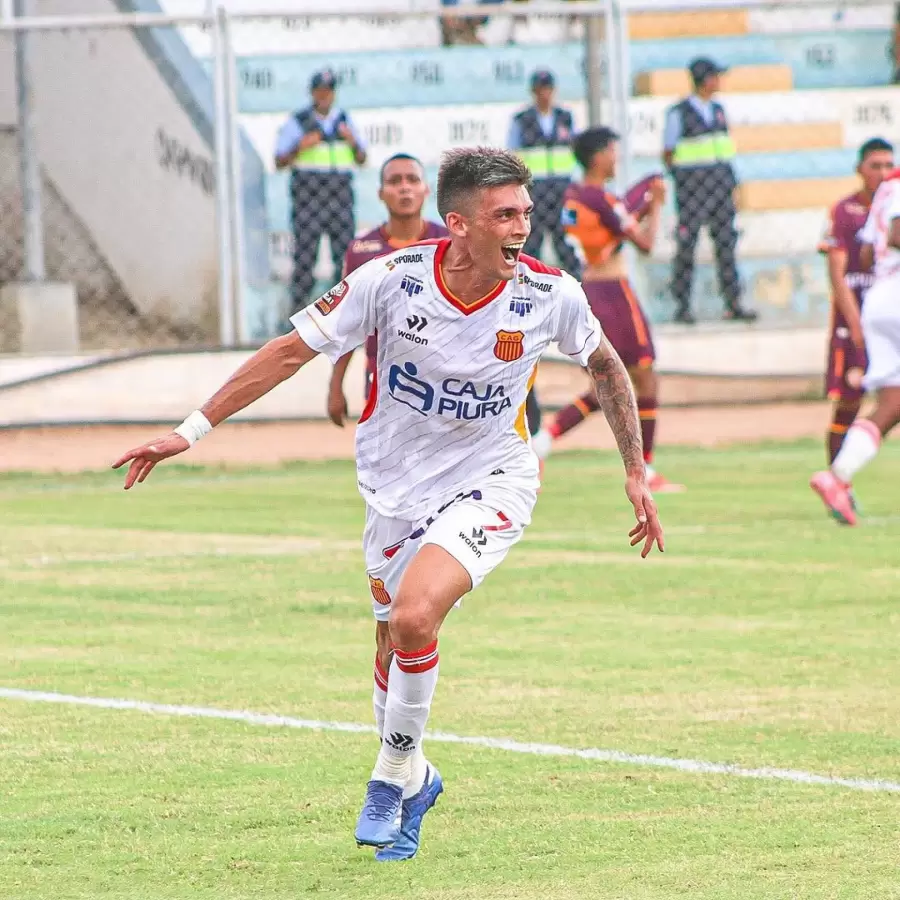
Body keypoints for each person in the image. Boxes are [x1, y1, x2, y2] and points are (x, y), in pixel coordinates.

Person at [112, 147, 665, 861]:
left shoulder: (549, 293)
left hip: (494, 478)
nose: (522, 228)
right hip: (394, 486)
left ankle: (389, 774)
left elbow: (605, 364)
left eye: (526, 213)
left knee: (414, 615)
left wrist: (635, 471)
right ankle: (420, 776)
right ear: (458, 223)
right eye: (505, 215)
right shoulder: (390, 281)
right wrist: (190, 430)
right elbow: (289, 351)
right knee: (390, 640)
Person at [532, 127, 684, 494]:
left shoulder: (576, 196)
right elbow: (644, 243)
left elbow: (611, 223)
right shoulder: (600, 198)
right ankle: (645, 468)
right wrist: (657, 203)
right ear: (599, 156)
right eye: (613, 151)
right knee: (643, 377)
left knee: (611, 380)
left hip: (592, 288)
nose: (617, 158)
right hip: (615, 291)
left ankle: (543, 441)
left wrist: (637, 205)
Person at [327, 153, 448, 427]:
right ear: (381, 193)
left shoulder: (450, 242)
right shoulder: (361, 251)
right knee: (385, 464)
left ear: (426, 190)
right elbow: (348, 322)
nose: (404, 187)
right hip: (383, 378)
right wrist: (336, 386)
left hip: (442, 377)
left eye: (412, 179)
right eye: (394, 181)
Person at [810, 168, 900, 526]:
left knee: (892, 403)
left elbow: (865, 253)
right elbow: (896, 233)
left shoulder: (884, 192)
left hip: (882, 295)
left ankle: (837, 477)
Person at [818, 138, 894, 478]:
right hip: (859, 317)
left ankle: (839, 481)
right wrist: (856, 324)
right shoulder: (843, 211)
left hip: (883, 315)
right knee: (849, 401)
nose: (882, 172)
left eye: (887, 165)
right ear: (859, 170)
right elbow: (839, 273)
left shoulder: (889, 205)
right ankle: (836, 476)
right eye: (874, 165)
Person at [663, 58, 757, 324]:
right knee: (687, 246)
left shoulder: (717, 110)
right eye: (715, 76)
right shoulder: (678, 113)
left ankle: (733, 302)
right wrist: (685, 179)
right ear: (705, 80)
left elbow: (723, 150)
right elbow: (669, 152)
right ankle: (683, 306)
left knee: (726, 245)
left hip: (720, 188)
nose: (718, 81)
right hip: (693, 189)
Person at [274, 69, 367, 314]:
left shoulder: (345, 122)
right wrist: (300, 146)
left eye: (328, 91)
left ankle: (344, 315)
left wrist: (352, 141)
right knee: (305, 259)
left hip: (339, 197)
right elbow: (279, 161)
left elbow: (362, 157)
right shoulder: (299, 122)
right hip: (308, 198)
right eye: (320, 91)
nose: (324, 96)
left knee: (344, 258)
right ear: (312, 93)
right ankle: (297, 316)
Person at [507, 70, 581, 277]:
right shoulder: (522, 120)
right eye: (540, 90)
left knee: (567, 237)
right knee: (532, 240)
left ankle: (577, 283)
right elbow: (513, 153)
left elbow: (575, 149)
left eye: (547, 89)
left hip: (563, 190)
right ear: (533, 92)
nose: (544, 95)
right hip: (534, 190)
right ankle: (528, 283)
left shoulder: (565, 117)